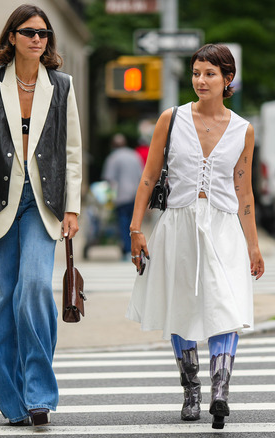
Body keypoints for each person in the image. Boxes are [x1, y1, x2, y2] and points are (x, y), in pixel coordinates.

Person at [0, 4, 82, 428]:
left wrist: (73, 206)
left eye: (43, 33)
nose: (37, 38)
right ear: (12, 38)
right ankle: (13, 403)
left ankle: (39, 394)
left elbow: (72, 152)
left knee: (35, 290)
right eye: (28, 32)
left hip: (42, 202)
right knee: (3, 302)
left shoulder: (61, 86)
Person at [125, 44, 265, 430]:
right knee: (181, 305)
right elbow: (149, 177)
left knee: (226, 305)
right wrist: (136, 229)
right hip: (178, 224)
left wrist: (254, 245)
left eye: (209, 74)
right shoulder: (171, 119)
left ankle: (220, 391)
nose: (201, 81)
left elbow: (245, 192)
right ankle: (191, 391)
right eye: (196, 73)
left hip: (223, 228)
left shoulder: (243, 130)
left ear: (227, 79)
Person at [102, 133, 144, 260]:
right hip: (136, 195)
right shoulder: (134, 155)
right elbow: (141, 175)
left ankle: (127, 250)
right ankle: (135, 248)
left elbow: (109, 178)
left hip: (121, 196)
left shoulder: (113, 157)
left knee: (123, 223)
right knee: (135, 224)